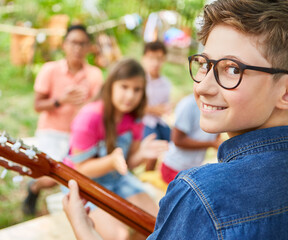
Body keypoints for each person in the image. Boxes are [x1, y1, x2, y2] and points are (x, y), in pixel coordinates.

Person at [62, 0, 288, 239]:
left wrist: (83, 228)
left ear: (284, 92)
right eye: (204, 64)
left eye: (233, 69)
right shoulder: (92, 115)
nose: (202, 86)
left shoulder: (201, 196)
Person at [64, 58, 168, 240]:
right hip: (85, 183)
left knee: (156, 224)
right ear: (111, 85)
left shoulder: (135, 118)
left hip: (118, 179)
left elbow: (126, 164)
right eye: (124, 87)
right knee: (120, 236)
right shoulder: (89, 117)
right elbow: (81, 169)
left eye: (137, 89)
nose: (130, 96)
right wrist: (110, 161)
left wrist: (141, 154)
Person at [22, 24, 104, 215]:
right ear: (64, 45)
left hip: (78, 137)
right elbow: (37, 105)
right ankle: (34, 188)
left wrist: (87, 105)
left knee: (71, 175)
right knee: (55, 175)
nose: (77, 48)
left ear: (88, 47)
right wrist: (61, 100)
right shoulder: (49, 70)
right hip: (51, 132)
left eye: (82, 43)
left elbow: (96, 107)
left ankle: (68, 210)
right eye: (73, 42)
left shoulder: (95, 74)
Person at [160, 93, 222, 184]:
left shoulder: (220, 107)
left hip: (192, 170)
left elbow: (217, 139)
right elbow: (178, 140)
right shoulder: (189, 104)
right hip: (173, 168)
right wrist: (211, 144)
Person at [141, 41, 173, 171]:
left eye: (159, 59)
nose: (155, 63)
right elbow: (135, 107)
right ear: (144, 58)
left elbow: (165, 107)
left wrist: (163, 109)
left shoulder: (165, 84)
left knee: (174, 141)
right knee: (153, 144)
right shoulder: (139, 80)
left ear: (164, 60)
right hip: (143, 121)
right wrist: (155, 109)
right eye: (151, 58)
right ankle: (147, 175)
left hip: (158, 121)